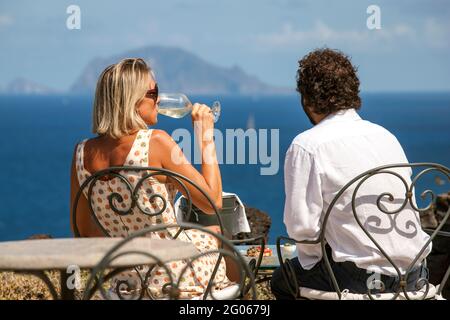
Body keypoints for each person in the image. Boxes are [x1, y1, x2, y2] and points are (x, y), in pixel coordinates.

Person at [271, 49, 431, 299]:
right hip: (415, 275)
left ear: (307, 99)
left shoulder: (308, 145)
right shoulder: (386, 136)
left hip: (361, 280)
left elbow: (302, 229)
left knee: (282, 279)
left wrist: (318, 256)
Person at [70, 58, 234, 298]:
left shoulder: (81, 152)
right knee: (216, 230)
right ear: (132, 100)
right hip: (175, 279)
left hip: (122, 284)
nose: (159, 99)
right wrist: (205, 135)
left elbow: (83, 232)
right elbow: (212, 202)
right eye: (153, 92)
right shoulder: (156, 142)